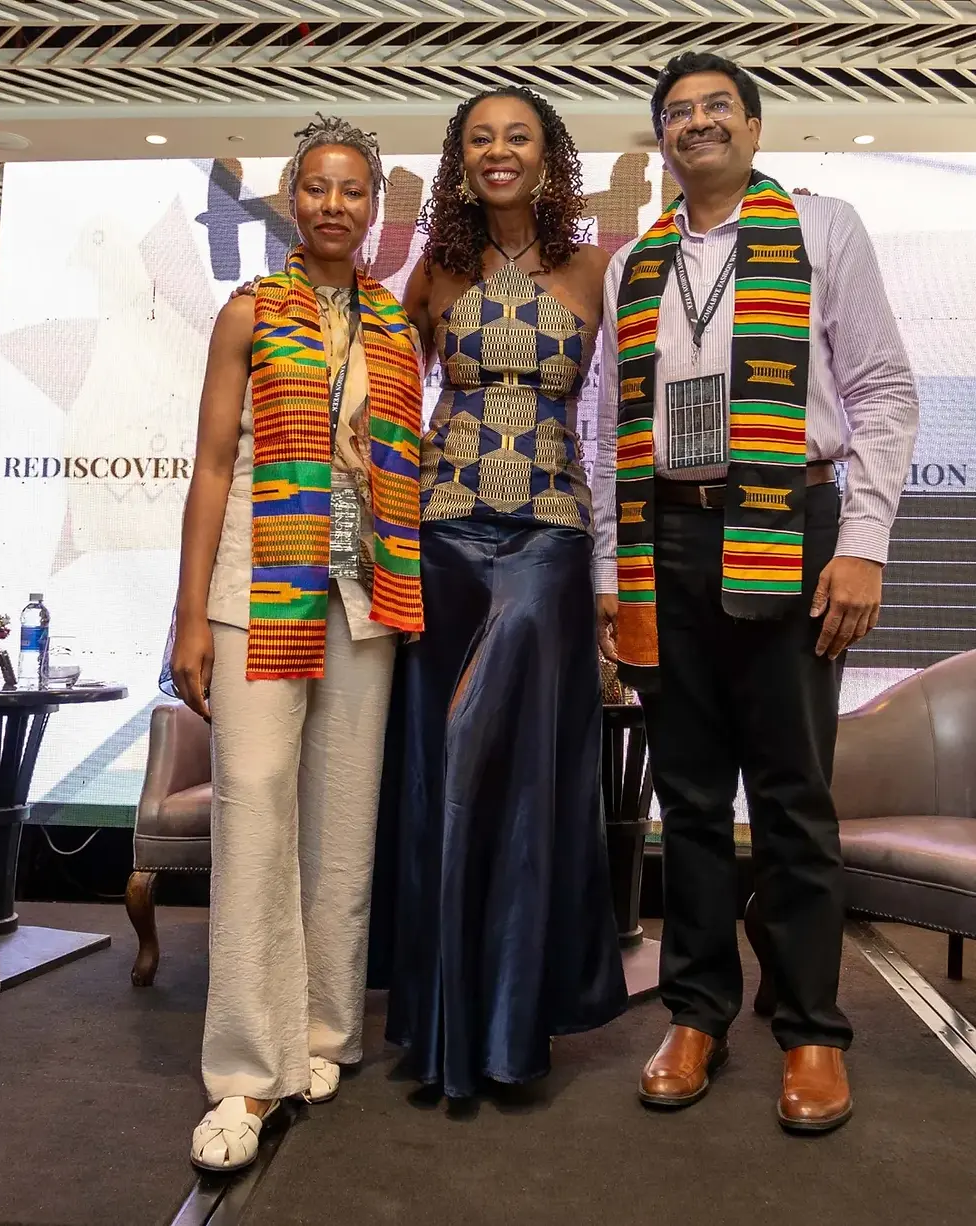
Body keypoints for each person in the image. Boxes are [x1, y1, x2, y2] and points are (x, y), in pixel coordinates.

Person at [592, 51, 918, 1133]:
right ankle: (694, 1009)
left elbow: (877, 389)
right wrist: (606, 570)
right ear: (659, 141)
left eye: (714, 109)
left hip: (790, 521)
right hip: (663, 538)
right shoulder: (633, 264)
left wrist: (863, 541)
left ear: (754, 126)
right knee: (685, 796)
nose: (696, 125)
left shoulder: (822, 232)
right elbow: (608, 434)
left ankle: (813, 1026)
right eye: (676, 114)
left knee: (790, 793)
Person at [167, 116, 424, 1170]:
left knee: (340, 822)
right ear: (288, 200)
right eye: (314, 188)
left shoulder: (394, 328)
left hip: (363, 594)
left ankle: (323, 1030)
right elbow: (215, 465)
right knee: (258, 804)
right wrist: (187, 612)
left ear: (372, 208)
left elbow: (399, 460)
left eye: (351, 190)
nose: (332, 205)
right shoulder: (246, 311)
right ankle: (241, 1070)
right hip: (254, 587)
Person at [374, 85, 628, 1101]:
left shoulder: (594, 267)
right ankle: (442, 1022)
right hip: (442, 534)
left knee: (520, 768)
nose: (497, 151)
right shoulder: (432, 269)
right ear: (458, 157)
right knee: (444, 761)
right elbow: (385, 401)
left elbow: (620, 415)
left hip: (551, 538)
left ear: (546, 153)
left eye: (515, 135)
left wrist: (617, 564)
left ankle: (510, 1025)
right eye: (478, 138)